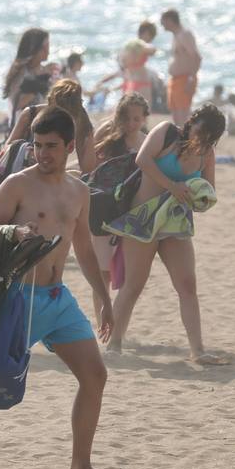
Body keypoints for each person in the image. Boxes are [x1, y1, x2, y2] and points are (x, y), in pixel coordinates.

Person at [0, 107, 115, 469]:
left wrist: (104, 298)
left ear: (70, 146)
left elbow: (83, 249)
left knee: (95, 376)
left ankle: (80, 467)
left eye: (52, 146)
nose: (43, 154)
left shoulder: (79, 190)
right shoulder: (17, 184)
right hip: (18, 296)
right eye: (37, 146)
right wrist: (13, 232)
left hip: (57, 299)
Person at [106, 104, 227, 365]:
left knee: (187, 285)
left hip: (175, 223)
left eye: (208, 137)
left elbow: (209, 189)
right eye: (199, 131)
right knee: (134, 285)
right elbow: (142, 160)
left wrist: (199, 197)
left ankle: (198, 350)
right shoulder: (166, 133)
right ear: (192, 121)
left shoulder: (206, 153)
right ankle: (114, 343)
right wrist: (172, 186)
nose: (201, 139)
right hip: (143, 218)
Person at [88, 91, 149, 328]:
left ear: (144, 118)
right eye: (127, 118)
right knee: (102, 271)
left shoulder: (146, 141)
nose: (131, 124)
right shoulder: (107, 133)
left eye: (137, 118)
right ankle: (100, 321)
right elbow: (89, 162)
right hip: (103, 207)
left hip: (131, 212)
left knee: (127, 274)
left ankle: (118, 323)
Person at [6, 79, 97, 176]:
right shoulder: (30, 114)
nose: (62, 118)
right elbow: (8, 148)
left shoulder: (79, 121)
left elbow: (88, 169)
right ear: (51, 102)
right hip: (23, 172)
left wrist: (88, 132)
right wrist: (30, 153)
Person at [3, 28, 55, 127]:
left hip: (42, 123)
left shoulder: (43, 70)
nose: (48, 51)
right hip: (23, 127)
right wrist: (39, 84)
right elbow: (17, 105)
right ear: (35, 49)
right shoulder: (20, 72)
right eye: (45, 47)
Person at [97, 21, 157, 102]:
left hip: (130, 83)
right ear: (146, 33)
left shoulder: (129, 46)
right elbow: (152, 50)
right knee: (144, 111)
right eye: (151, 36)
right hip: (142, 83)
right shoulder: (140, 45)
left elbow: (120, 63)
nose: (151, 40)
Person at [161, 10, 201, 125]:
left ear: (170, 20)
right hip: (175, 79)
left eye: (163, 21)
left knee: (183, 116)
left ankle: (186, 142)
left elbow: (196, 57)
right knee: (175, 116)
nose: (162, 25)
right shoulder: (176, 35)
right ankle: (179, 142)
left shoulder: (184, 35)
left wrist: (191, 79)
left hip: (184, 79)